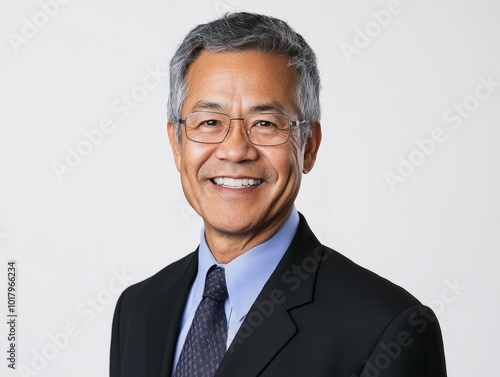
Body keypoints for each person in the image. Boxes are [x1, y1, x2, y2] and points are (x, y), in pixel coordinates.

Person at [110, 12, 447, 377]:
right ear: (177, 143)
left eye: (265, 124)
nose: (235, 150)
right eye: (210, 122)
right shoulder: (138, 309)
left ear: (309, 147)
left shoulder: (389, 328)